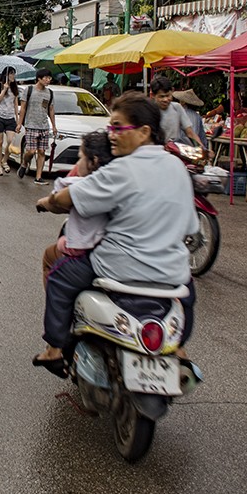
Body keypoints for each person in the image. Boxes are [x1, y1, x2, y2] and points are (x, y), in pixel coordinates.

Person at [31, 92, 197, 377]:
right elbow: (191, 228)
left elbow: (70, 198)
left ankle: (55, 349)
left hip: (118, 267)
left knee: (59, 277)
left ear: (144, 132)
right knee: (188, 296)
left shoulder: (121, 169)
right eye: (111, 127)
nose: (112, 135)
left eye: (118, 127)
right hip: (172, 271)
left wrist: (48, 203)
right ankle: (179, 350)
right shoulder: (177, 167)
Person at [40, 131, 115, 288]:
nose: (77, 163)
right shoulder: (121, 175)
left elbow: (57, 200)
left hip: (90, 254)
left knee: (50, 255)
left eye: (80, 158)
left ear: (93, 161)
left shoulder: (87, 184)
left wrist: (44, 202)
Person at [17, 68, 58, 183]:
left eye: (49, 78)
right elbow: (23, 108)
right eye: (45, 78)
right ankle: (24, 163)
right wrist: (19, 124)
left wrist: (54, 126)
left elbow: (50, 109)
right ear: (39, 78)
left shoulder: (49, 93)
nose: (48, 80)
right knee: (31, 151)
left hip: (44, 126)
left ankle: (38, 177)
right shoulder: (29, 90)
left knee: (41, 152)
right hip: (31, 125)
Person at [150, 77, 206, 150]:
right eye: (162, 96)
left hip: (173, 153)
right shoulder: (148, 111)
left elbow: (190, 133)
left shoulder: (177, 108)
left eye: (168, 95)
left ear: (172, 92)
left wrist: (203, 149)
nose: (165, 99)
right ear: (153, 95)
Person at [0, 68, 19, 175]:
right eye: (11, 73)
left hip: (10, 118)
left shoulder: (14, 86)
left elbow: (15, 104)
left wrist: (17, 119)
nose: (13, 76)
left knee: (11, 141)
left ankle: (4, 160)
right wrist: (4, 90)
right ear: (6, 75)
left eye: (14, 74)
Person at [172, 88, 209, 153]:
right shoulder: (197, 116)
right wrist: (204, 149)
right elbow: (202, 138)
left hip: (179, 149)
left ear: (183, 102)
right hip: (191, 150)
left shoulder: (176, 113)